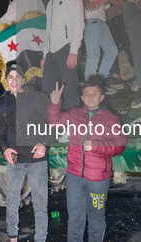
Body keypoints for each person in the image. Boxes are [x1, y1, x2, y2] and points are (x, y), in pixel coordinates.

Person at [48, 79, 126, 242]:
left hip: (97, 179)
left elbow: (120, 145)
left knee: (96, 219)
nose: (90, 98)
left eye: (94, 94)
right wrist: (55, 104)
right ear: (82, 98)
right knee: (75, 219)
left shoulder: (111, 119)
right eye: (87, 94)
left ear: (102, 97)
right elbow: (55, 123)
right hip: (74, 176)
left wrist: (97, 145)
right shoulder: (74, 113)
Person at [0, 62, 50, 242]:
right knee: (12, 201)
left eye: (17, 77)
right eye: (10, 77)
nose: (13, 80)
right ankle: (12, 237)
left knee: (40, 203)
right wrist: (5, 149)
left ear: (23, 79)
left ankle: (41, 238)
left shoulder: (38, 98)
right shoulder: (3, 105)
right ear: (6, 81)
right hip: (15, 159)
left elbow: (54, 124)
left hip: (37, 157)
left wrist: (44, 143)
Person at [41, 0, 85, 110]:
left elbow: (79, 23)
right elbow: (48, 30)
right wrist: (45, 53)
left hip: (67, 48)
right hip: (51, 53)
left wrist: (74, 50)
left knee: (70, 89)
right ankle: (52, 129)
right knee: (47, 91)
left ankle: (73, 129)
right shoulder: (50, 2)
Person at [81, 0, 119, 93]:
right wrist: (84, 0)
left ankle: (99, 85)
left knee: (112, 50)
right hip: (90, 19)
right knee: (94, 55)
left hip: (102, 20)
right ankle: (89, 90)